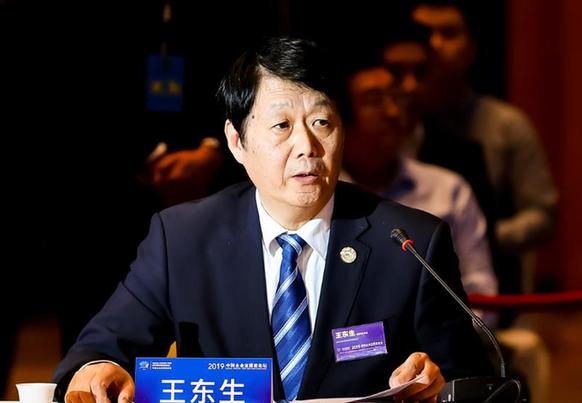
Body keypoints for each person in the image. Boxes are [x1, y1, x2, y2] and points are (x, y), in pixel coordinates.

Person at [52, 37, 493, 403]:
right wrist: (99, 369)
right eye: (282, 126)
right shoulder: (183, 239)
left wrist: (437, 384)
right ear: (237, 141)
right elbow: (96, 352)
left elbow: (475, 382)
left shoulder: (409, 242)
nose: (307, 146)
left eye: (322, 122)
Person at [410, 1, 559, 300]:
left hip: (495, 289)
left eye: (448, 33)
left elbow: (543, 214)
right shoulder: (398, 121)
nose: (435, 45)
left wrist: (476, 236)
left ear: (472, 48)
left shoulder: (506, 125)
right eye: (426, 34)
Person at [341, 62, 497, 306]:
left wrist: (451, 330)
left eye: (397, 98)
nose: (393, 112)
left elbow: (480, 291)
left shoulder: (449, 189)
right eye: (374, 100)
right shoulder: (320, 196)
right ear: (336, 116)